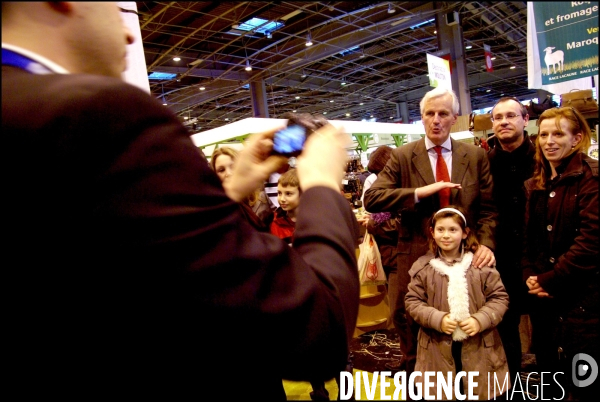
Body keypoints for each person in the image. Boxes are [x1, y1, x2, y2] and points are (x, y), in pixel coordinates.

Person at [2, 3, 360, 399]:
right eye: (116, 11)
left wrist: (229, 193)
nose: (128, 35)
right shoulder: (101, 116)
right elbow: (317, 333)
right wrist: (323, 186)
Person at [363, 87, 498, 377]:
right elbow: (372, 199)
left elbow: (488, 210)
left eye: (443, 114)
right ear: (421, 119)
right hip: (413, 253)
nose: (436, 120)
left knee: (464, 326)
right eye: (429, 114)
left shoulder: (474, 156)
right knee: (408, 321)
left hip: (466, 257)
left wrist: (486, 244)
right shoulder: (402, 156)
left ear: (454, 119)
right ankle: (417, 382)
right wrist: (421, 192)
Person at [522, 107, 598, 401]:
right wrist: (530, 277)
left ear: (577, 138)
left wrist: (550, 279)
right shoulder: (536, 184)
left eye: (558, 134)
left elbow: (591, 242)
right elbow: (529, 241)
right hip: (544, 301)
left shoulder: (591, 178)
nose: (549, 141)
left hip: (583, 302)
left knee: (584, 383)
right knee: (550, 378)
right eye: (543, 135)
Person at [405, 206, 510, 400]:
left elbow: (499, 297)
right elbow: (413, 301)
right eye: (440, 230)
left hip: (478, 347)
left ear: (464, 233)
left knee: (476, 391)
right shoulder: (423, 268)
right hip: (437, 349)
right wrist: (438, 318)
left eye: (453, 230)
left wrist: (481, 319)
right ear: (432, 232)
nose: (446, 235)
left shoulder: (481, 266)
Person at [487, 96, 536, 383]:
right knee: (506, 325)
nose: (503, 122)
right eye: (497, 117)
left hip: (540, 257)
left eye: (510, 116)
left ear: (524, 119)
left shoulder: (542, 157)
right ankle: (513, 383)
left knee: (546, 326)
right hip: (501, 258)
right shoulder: (486, 162)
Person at [211, 146, 273, 231]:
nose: (228, 173)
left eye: (233, 167)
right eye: (221, 170)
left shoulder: (263, 198)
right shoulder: (216, 209)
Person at [270, 168, 300, 243]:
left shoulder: (314, 222)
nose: (282, 199)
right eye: (279, 193)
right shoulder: (273, 221)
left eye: (288, 193)